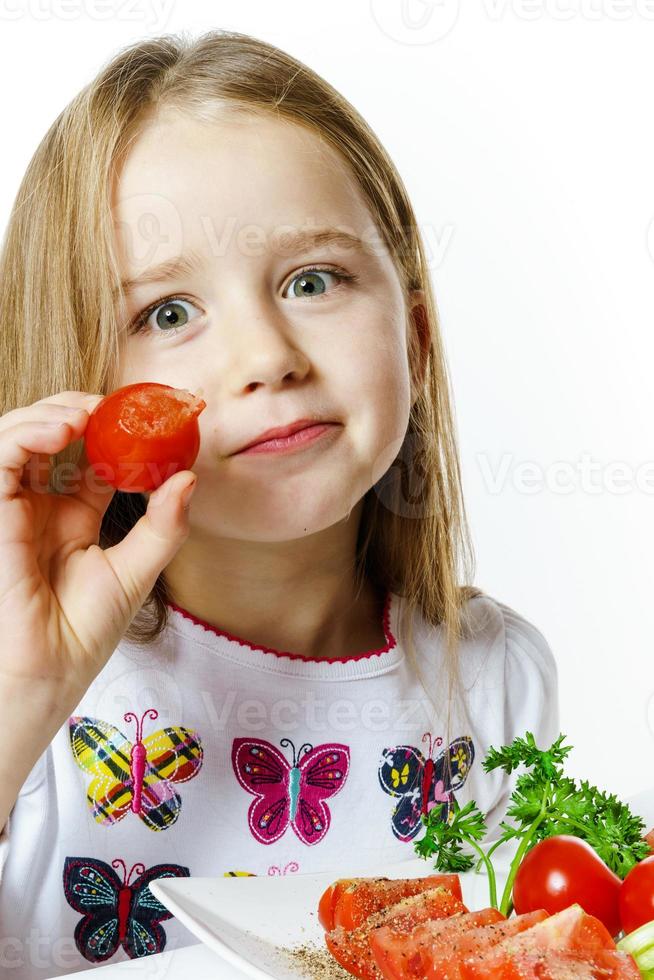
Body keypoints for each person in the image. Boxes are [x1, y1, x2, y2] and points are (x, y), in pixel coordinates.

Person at [0, 29, 558, 978]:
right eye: (166, 313)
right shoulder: (29, 676)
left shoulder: (496, 676)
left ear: (415, 340)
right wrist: (21, 696)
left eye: (314, 280)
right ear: (81, 384)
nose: (267, 357)